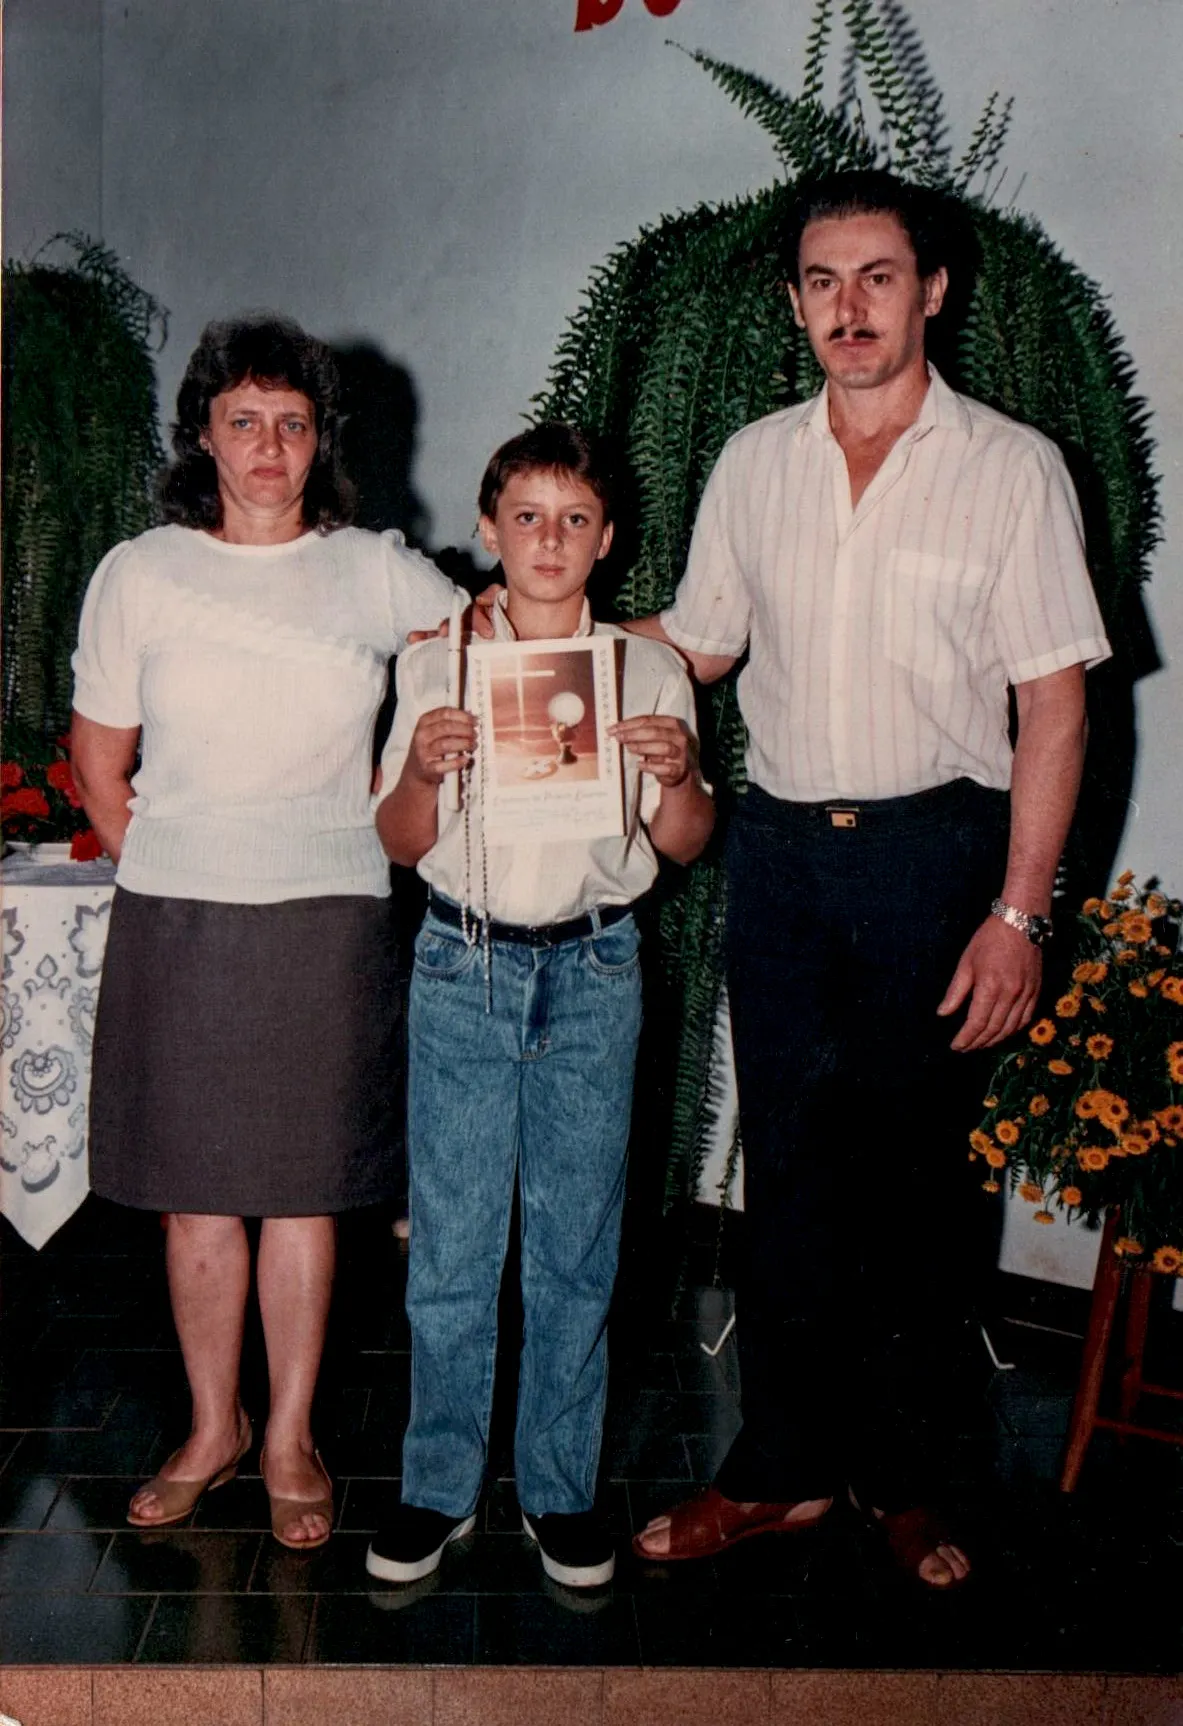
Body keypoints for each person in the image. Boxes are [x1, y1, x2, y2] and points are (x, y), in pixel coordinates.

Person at [626, 169, 1110, 1586]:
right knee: (783, 1176)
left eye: (876, 277)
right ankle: (776, 1473)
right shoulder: (751, 461)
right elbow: (699, 644)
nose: (848, 308)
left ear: (931, 289)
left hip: (934, 858)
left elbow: (1056, 707)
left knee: (912, 1192)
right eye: (822, 283)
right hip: (779, 858)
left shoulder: (1008, 468)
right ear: (792, 302)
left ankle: (908, 1480)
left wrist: (1017, 914)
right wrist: (534, 631)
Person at [70, 314, 457, 1550]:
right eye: (245, 421)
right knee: (197, 1198)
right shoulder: (141, 570)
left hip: (329, 909)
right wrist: (172, 860)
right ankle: (210, 1425)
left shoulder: (374, 566)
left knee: (301, 1195)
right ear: (204, 436)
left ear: (318, 439)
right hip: (182, 911)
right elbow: (97, 753)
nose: (270, 446)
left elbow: (486, 649)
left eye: (293, 423)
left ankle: (289, 1434)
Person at [364, 424, 714, 1588]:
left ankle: (559, 1491)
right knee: (453, 1246)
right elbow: (400, 842)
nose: (549, 539)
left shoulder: (646, 672)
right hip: (462, 966)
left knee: (574, 1245)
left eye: (575, 520)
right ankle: (436, 1484)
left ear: (608, 540)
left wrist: (674, 776)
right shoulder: (436, 664)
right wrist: (423, 767)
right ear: (487, 530)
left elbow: (684, 841)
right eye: (526, 516)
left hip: (594, 968)